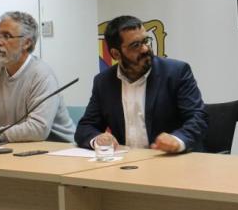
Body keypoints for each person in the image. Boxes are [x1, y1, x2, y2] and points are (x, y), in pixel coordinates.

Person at [75, 15, 207, 153]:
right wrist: (97, 139)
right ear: (116, 54)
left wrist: (178, 139)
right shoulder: (104, 82)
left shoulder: (176, 73)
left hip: (171, 159)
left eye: (146, 41)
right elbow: (85, 127)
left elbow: (198, 117)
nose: (145, 49)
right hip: (127, 161)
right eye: (135, 45)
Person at [0, 11, 75, 144]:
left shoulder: (42, 75)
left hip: (56, 149)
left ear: (26, 43)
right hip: (13, 148)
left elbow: (38, 129)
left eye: (7, 36)